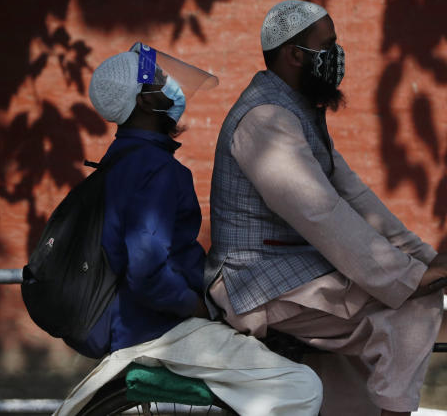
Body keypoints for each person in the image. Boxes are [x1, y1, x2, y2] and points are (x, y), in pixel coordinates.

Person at [204, 1, 447, 416]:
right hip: (254, 283)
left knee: (358, 378)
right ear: (295, 55)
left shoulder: (294, 110)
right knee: (414, 308)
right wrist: (407, 277)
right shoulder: (265, 119)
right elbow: (322, 213)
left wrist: (424, 257)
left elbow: (354, 196)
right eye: (328, 45)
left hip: (287, 273)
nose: (337, 54)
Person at [54, 42, 322, 416]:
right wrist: (200, 309)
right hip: (158, 329)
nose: (172, 85)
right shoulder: (156, 169)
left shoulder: (121, 160)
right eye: (160, 79)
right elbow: (147, 271)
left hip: (134, 322)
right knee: (301, 386)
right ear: (146, 102)